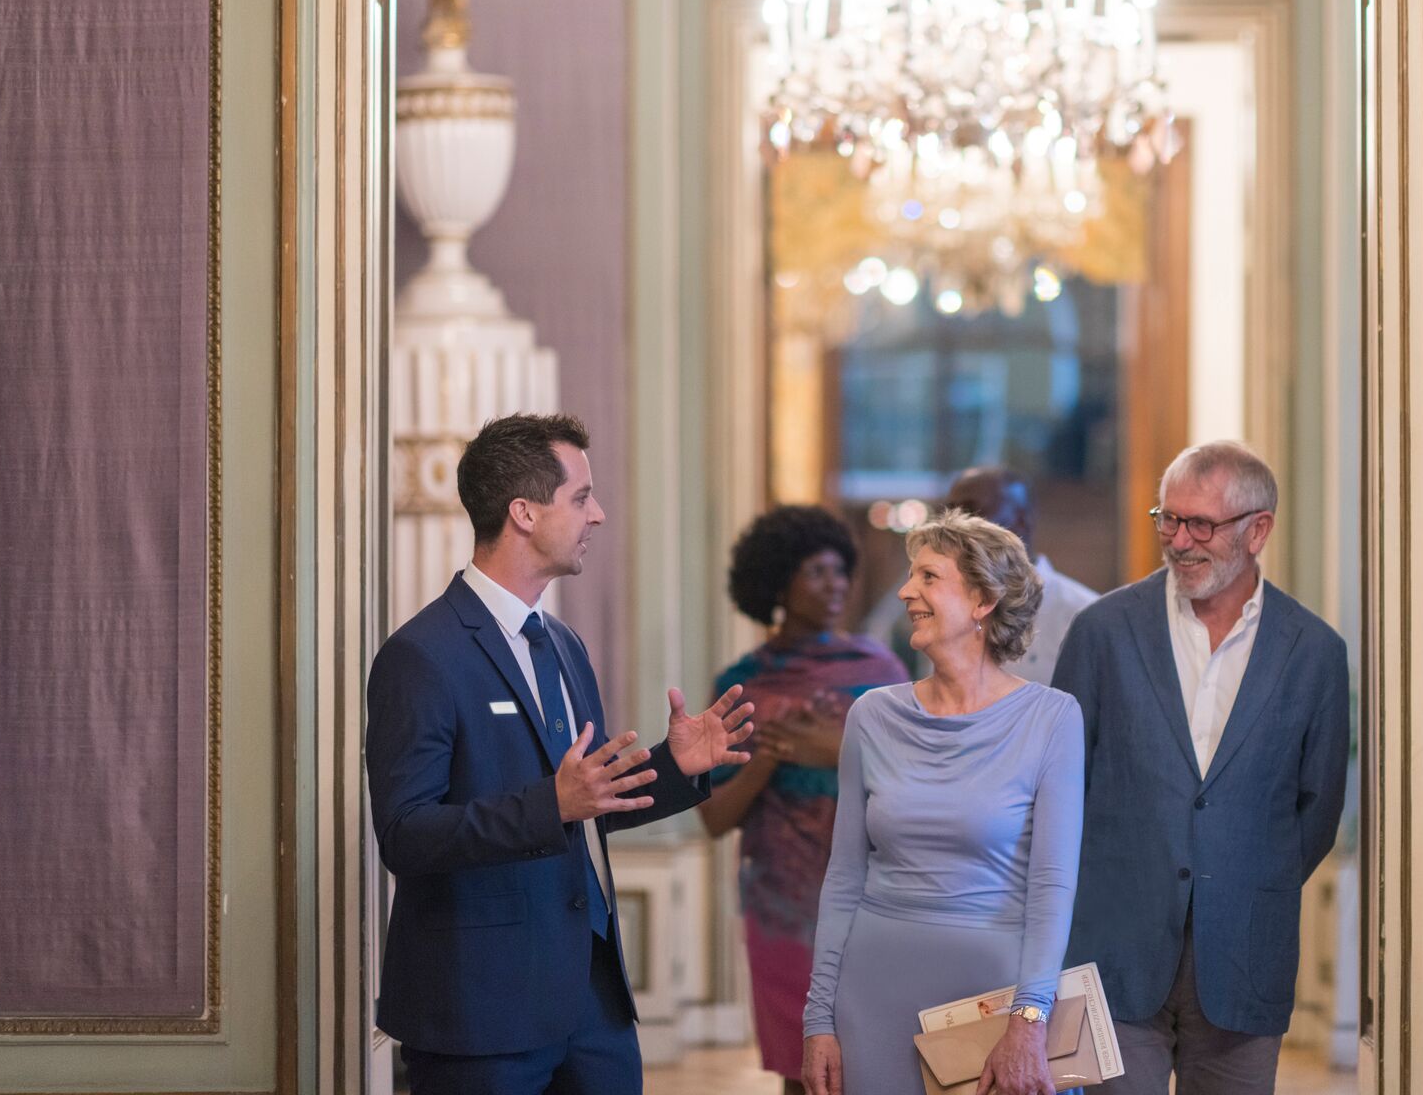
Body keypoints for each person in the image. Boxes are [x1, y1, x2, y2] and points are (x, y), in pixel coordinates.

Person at [365, 413, 756, 1095]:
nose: (597, 514)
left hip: (593, 1003)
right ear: (523, 512)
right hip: (482, 1010)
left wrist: (675, 768)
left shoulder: (564, 644)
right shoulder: (421, 655)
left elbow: (588, 799)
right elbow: (405, 833)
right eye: (581, 497)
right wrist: (551, 803)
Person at [1051, 441, 1349, 1095]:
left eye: (1201, 525)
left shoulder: (1315, 653)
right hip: (1112, 952)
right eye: (1169, 519)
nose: (1180, 540)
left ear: (1258, 530)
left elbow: (1317, 811)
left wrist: (1242, 879)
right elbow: (1060, 788)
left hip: (1245, 955)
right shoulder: (1101, 631)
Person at [801, 511, 1083, 1095]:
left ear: (983, 600)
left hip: (995, 1004)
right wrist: (818, 1019)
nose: (906, 592)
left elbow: (1052, 886)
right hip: (871, 997)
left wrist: (1030, 1018)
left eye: (928, 577)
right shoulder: (871, 715)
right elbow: (844, 877)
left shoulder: (1053, 718)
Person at [697, 506, 907, 1095]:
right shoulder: (742, 685)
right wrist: (769, 756)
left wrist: (832, 750)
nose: (835, 585)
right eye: (816, 572)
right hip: (782, 908)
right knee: (800, 1062)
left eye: (840, 571)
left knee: (872, 1058)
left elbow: (916, 778)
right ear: (778, 583)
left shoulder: (880, 670)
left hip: (874, 898)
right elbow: (714, 818)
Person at [860, 467, 1097, 685]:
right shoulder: (939, 604)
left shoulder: (1083, 616)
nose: (955, 526)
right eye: (949, 512)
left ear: (1021, 521)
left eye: (970, 512)